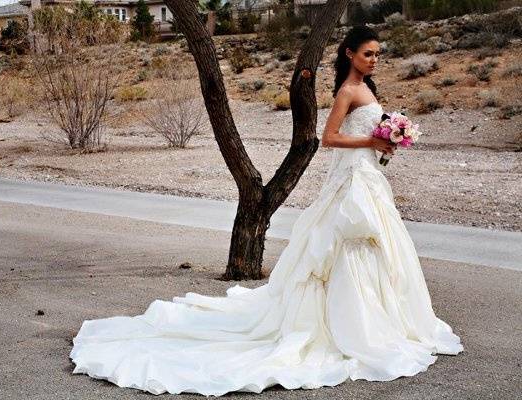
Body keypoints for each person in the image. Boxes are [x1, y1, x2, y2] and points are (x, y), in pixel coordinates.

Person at [69, 26, 463, 396]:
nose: (375, 59)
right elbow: (327, 138)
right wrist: (370, 142)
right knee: (345, 243)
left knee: (375, 246)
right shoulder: (347, 90)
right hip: (353, 179)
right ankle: (351, 327)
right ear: (349, 54)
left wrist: (387, 138)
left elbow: (361, 132)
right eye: (368, 53)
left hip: (368, 176)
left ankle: (382, 321)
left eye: (378, 54)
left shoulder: (367, 86)